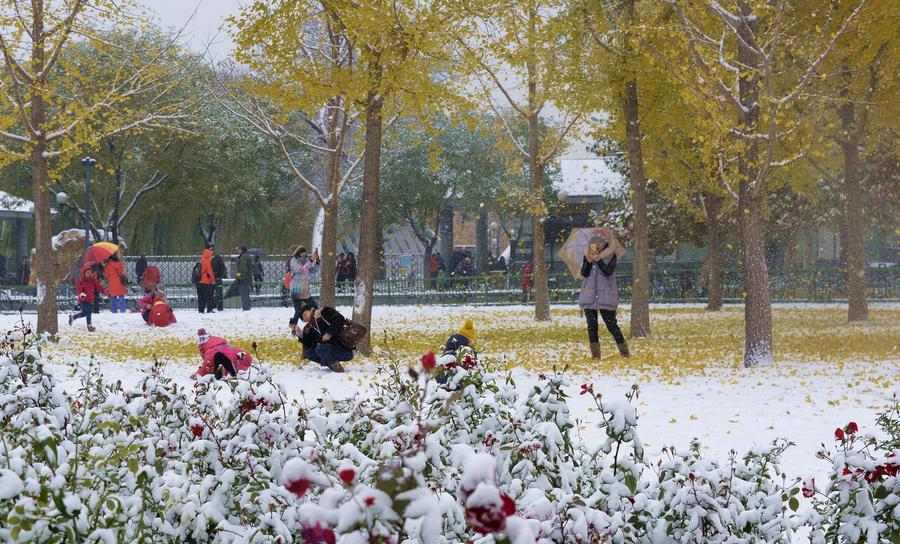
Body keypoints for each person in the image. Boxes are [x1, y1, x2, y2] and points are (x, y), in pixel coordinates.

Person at [579, 231, 629, 359]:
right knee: (592, 327)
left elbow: (608, 271)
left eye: (600, 242)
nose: (597, 245)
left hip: (606, 296)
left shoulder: (611, 255)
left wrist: (599, 260)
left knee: (612, 325)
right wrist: (589, 261)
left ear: (605, 243)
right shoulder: (587, 255)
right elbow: (584, 273)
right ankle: (596, 356)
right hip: (590, 296)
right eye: (594, 242)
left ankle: (625, 353)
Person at [291, 303, 352, 372]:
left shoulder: (325, 311)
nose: (305, 319)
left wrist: (329, 333)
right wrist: (299, 332)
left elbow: (340, 319)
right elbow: (310, 343)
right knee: (309, 353)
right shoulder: (312, 326)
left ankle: (338, 369)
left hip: (346, 348)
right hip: (332, 350)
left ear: (312, 309)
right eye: (304, 320)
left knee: (320, 349)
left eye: (305, 315)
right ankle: (332, 364)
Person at [288, 246, 320, 326]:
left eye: (305, 252)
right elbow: (301, 269)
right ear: (299, 253)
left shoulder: (306, 260)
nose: (305, 254)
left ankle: (316, 322)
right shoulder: (294, 261)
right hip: (296, 289)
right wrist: (311, 260)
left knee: (315, 307)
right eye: (303, 252)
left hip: (305, 289)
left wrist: (317, 262)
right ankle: (293, 325)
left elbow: (313, 270)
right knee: (298, 310)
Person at [69, 265, 107, 332]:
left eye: (90, 273)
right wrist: (81, 294)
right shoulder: (81, 281)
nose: (89, 274)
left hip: (90, 299)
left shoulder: (93, 280)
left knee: (84, 313)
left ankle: (73, 317)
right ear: (84, 273)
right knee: (89, 312)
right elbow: (79, 289)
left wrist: (104, 292)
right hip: (83, 300)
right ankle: (89, 325)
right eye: (87, 273)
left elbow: (99, 286)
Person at [223, 244, 253, 311]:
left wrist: (239, 276)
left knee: (244, 295)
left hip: (243, 280)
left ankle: (246, 309)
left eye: (239, 249)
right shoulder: (245, 256)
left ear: (242, 250)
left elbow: (242, 269)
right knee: (243, 294)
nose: (238, 251)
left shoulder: (243, 257)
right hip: (245, 279)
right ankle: (246, 308)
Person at [195, 247, 216, 313]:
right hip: (205, 282)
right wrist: (213, 281)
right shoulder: (207, 262)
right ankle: (209, 310)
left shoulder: (201, 260)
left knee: (200, 298)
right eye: (210, 254)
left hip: (198, 282)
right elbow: (210, 272)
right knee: (209, 297)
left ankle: (201, 310)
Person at [210, 244, 227, 311]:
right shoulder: (208, 258)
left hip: (217, 278)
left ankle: (219, 307)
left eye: (212, 250)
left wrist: (221, 276)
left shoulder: (218, 258)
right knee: (211, 293)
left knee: (218, 293)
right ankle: (213, 305)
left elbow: (222, 268)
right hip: (210, 278)